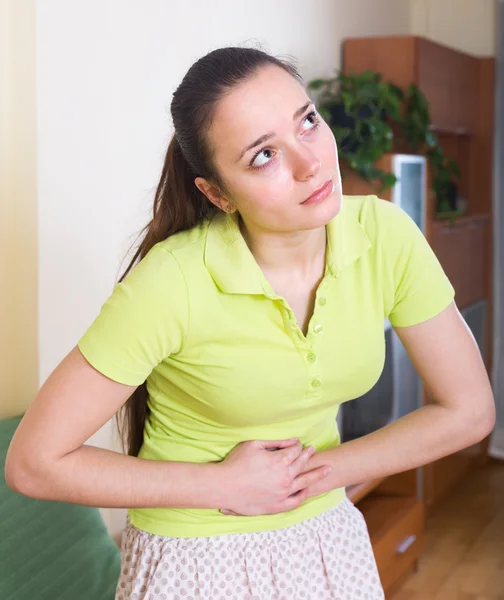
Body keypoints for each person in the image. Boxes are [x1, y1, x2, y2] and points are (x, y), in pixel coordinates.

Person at [6, 46, 495, 600]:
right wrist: (223, 483)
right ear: (217, 194)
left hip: (322, 532)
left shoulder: (387, 237)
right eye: (264, 155)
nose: (311, 163)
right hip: (195, 554)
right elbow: (33, 463)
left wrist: (319, 474)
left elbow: (469, 409)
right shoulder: (172, 281)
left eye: (308, 121)